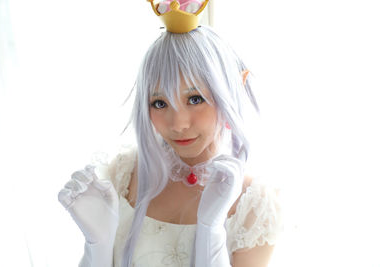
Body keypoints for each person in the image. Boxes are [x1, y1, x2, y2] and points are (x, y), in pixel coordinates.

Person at [58, 0, 282, 266]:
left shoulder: (254, 203)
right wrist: (98, 246)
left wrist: (210, 232)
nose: (177, 124)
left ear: (230, 92)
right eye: (160, 103)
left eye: (195, 99)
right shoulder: (123, 173)